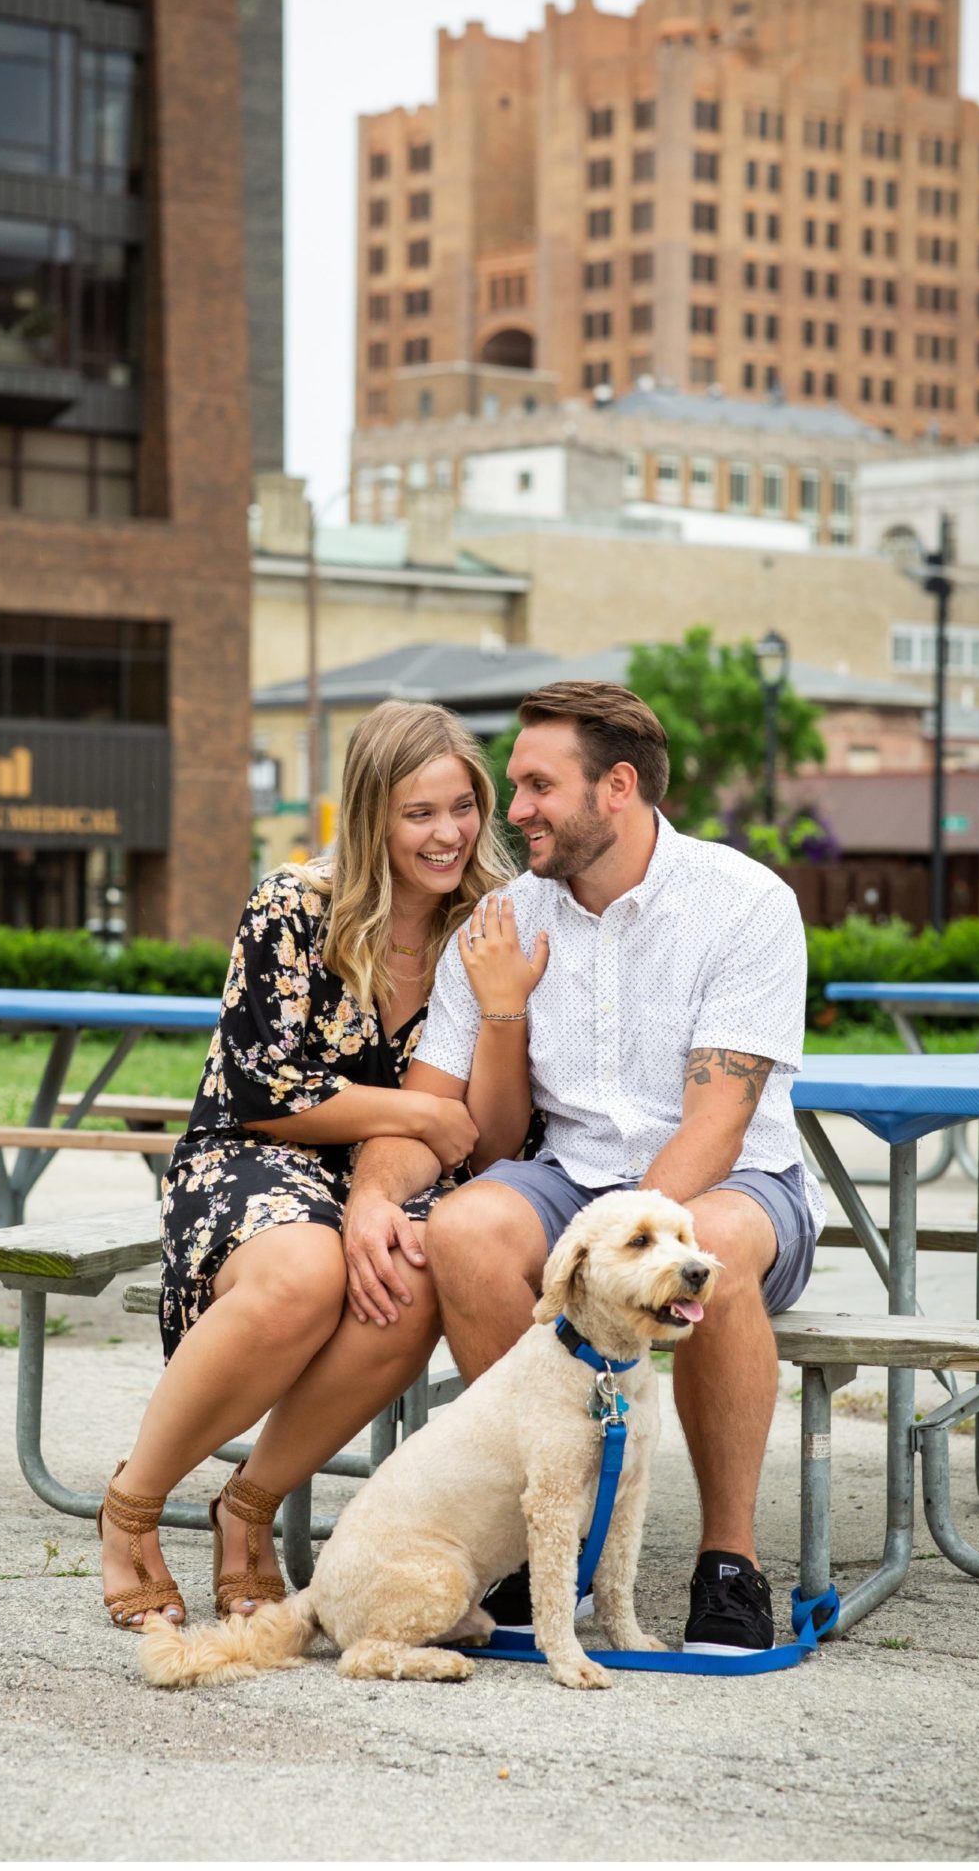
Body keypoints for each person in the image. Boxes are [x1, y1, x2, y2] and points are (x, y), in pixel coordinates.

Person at [341, 679, 825, 1657]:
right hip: (567, 1178)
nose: (507, 811)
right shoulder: (502, 924)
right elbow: (443, 1115)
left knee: (712, 1248)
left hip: (733, 1188)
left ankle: (727, 1562)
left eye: (532, 786)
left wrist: (622, 1238)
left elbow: (717, 1126)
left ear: (615, 787)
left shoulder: (742, 906)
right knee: (469, 1228)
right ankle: (539, 1531)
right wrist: (370, 1196)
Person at [97, 699, 537, 1628]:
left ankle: (247, 1509)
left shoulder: (495, 922)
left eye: (462, 806)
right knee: (302, 1267)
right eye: (419, 813)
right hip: (252, 1155)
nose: (448, 833)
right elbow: (266, 1092)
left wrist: (500, 1014)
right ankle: (131, 1508)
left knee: (412, 1275)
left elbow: (490, 1138)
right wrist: (422, 1106)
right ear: (372, 813)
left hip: (400, 1180)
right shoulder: (294, 903)